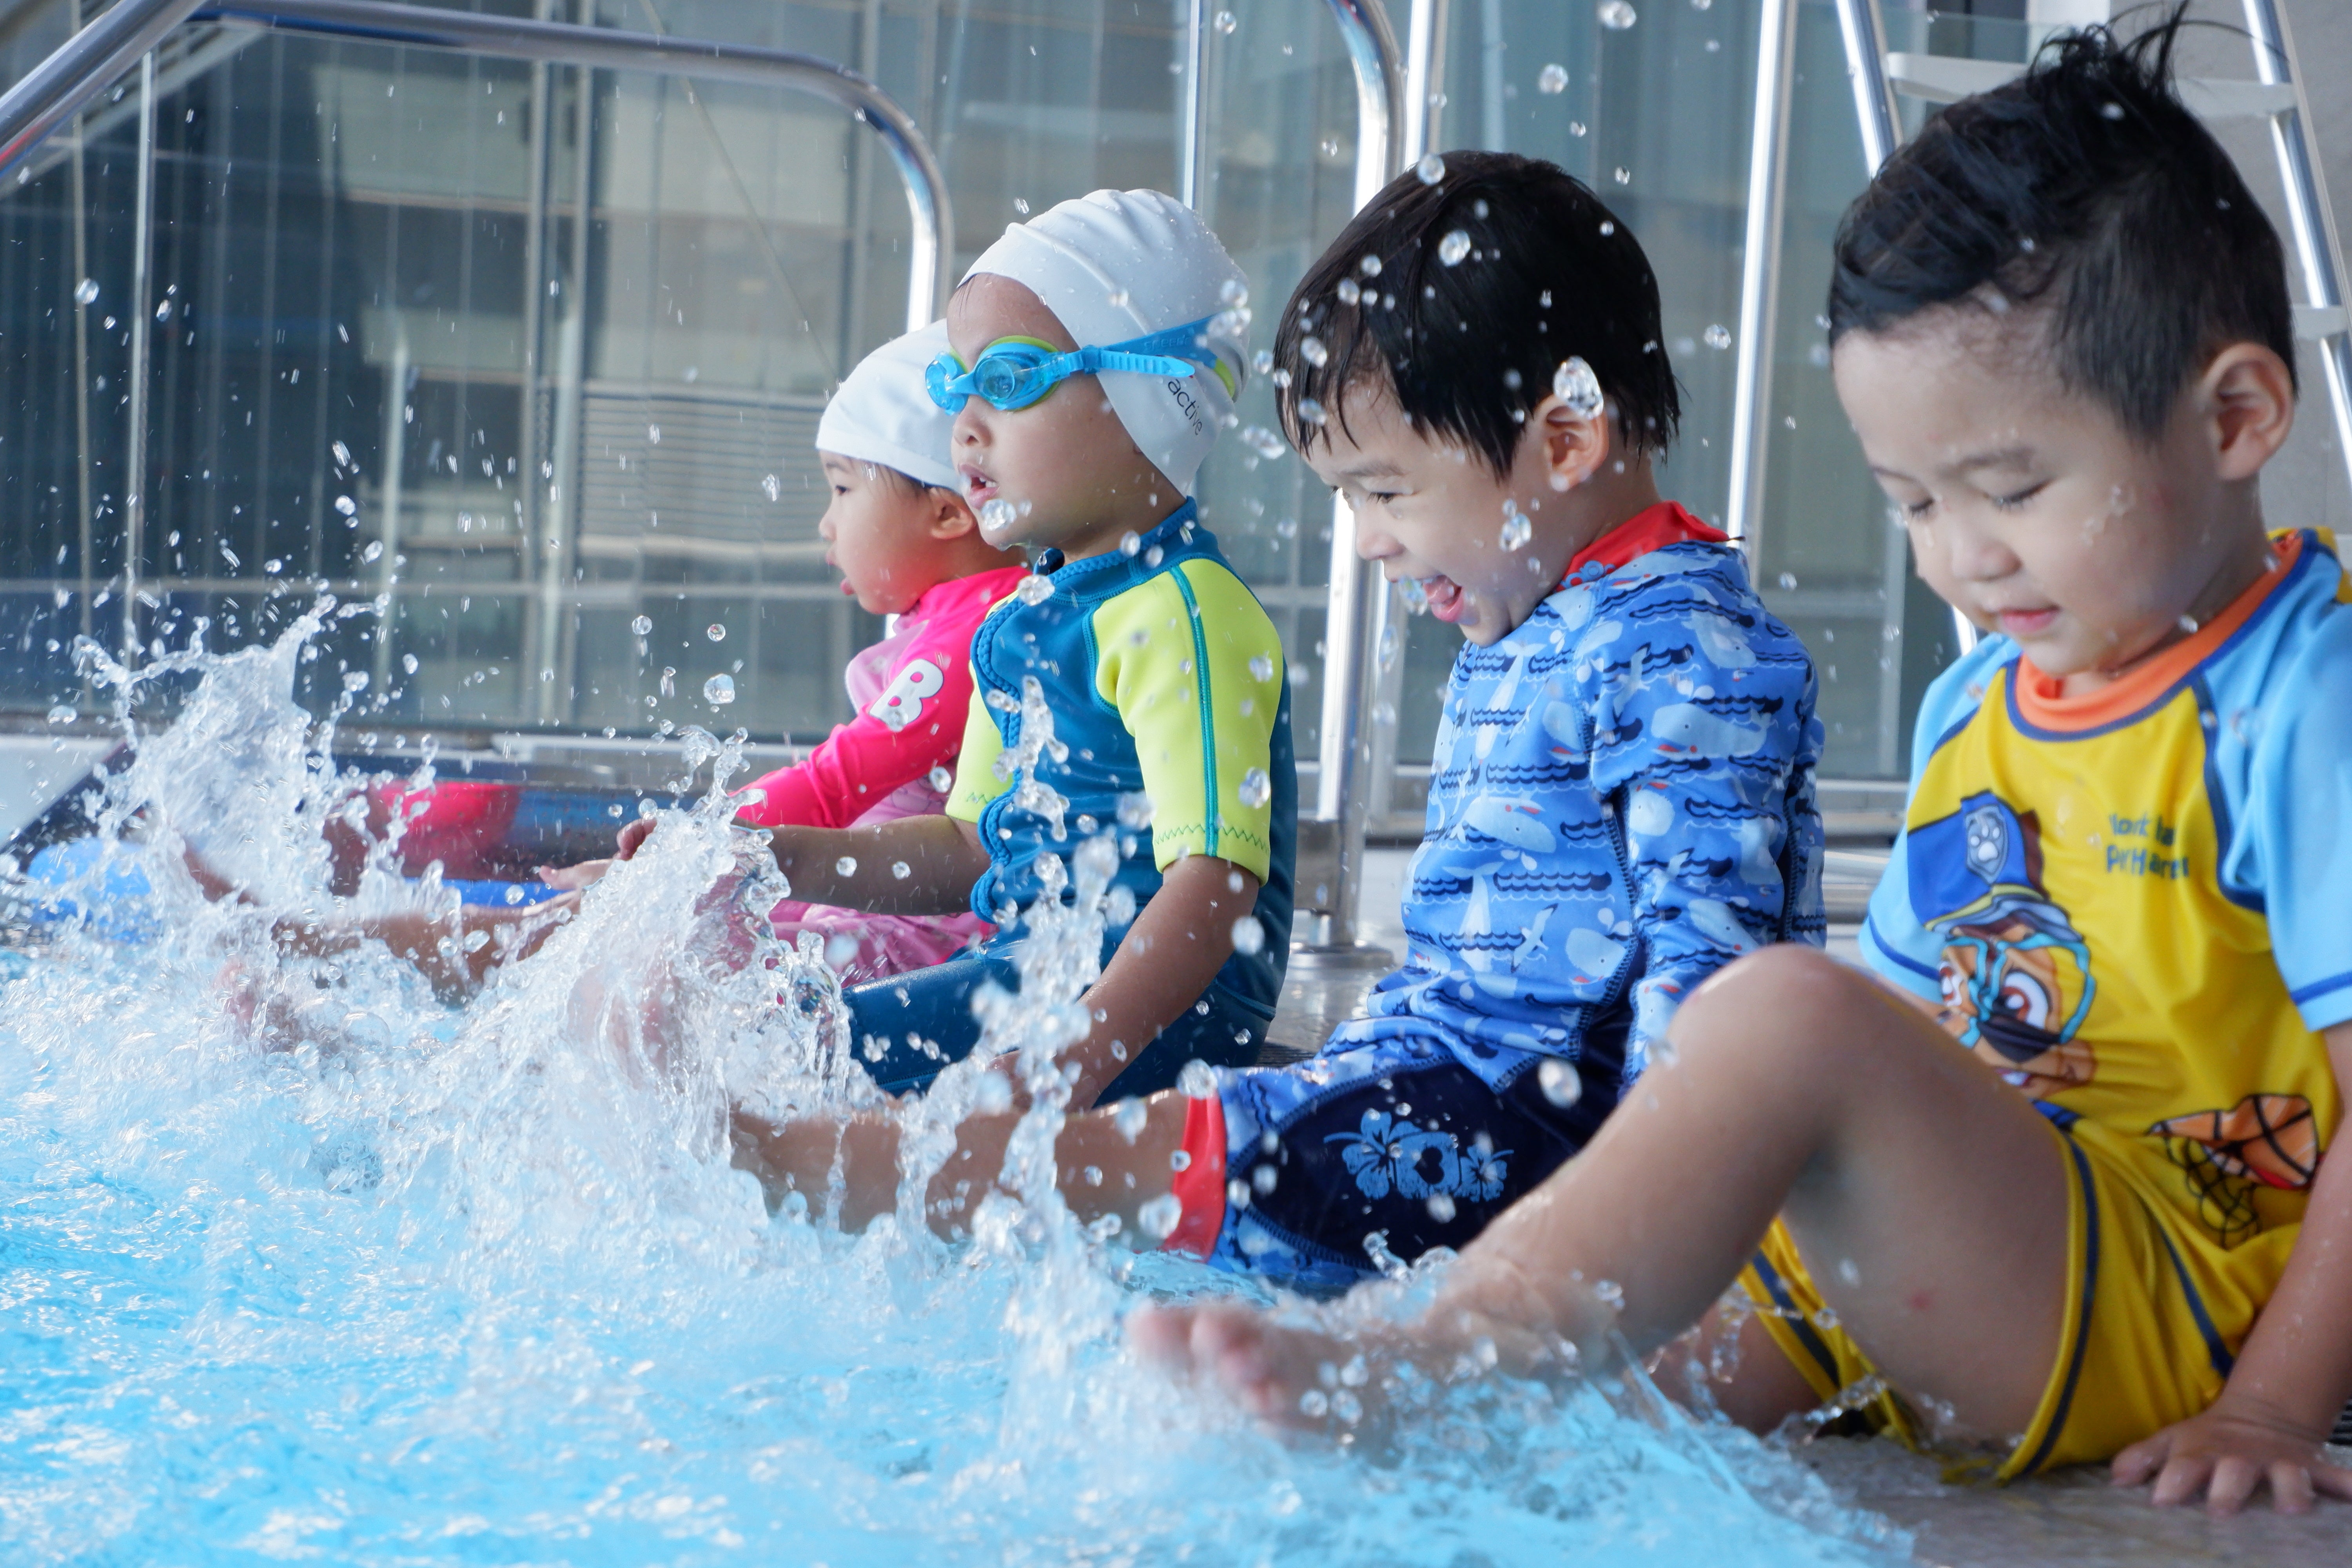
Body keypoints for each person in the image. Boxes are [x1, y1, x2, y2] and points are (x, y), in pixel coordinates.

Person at [1132, 19, 2352, 1517]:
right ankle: (1407, 1387)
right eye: (1913, 505)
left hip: (2160, 1293)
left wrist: (2275, 1407)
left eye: (2013, 489)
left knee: (1776, 1013)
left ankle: (1441, 1348)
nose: (1963, 559)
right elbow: (1917, 1018)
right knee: (1585, 1422)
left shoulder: (2304, 698)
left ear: (2235, 418)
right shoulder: (1983, 701)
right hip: (1972, 1251)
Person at [730, 154, 1824, 1281]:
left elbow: (1716, 992)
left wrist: (1655, 1264)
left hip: (1538, 1134)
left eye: (1385, 491)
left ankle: (826, 1167)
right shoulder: (1548, 619)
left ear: (1566, 440)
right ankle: (843, 1164)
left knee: (1172, 1150)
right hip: (1460, 1086)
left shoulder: (1684, 651)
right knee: (1225, 1143)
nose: (1368, 541)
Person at [702, 188, 1295, 1109]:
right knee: (747, 1051)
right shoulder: (1024, 616)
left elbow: (1214, 884)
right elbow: (971, 845)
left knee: (790, 1077)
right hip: (1034, 969)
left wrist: (1070, 1056)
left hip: (1164, 1008)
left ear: (1148, 399)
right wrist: (778, 856)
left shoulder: (1186, 609)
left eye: (1010, 380)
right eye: (958, 386)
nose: (965, 424)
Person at [719, 320, 1027, 982]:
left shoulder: (976, 635)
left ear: (947, 514)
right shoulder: (954, 620)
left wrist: (687, 854)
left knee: (682, 947)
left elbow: (830, 787)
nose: (826, 523)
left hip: (927, 943)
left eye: (842, 489)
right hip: (886, 916)